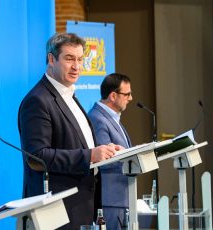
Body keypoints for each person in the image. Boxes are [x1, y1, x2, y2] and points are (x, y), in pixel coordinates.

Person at [18, 33, 121, 230]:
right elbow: (37, 156)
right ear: (51, 59)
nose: (77, 66)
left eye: (80, 59)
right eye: (69, 59)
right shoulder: (38, 100)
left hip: (81, 205)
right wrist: (89, 155)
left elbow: (76, 143)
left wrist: (103, 151)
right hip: (56, 210)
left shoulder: (69, 95)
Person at [88, 73, 133, 230]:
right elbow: (103, 161)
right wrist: (130, 155)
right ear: (113, 96)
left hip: (120, 198)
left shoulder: (111, 118)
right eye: (127, 94)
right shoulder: (97, 118)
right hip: (110, 200)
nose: (131, 98)